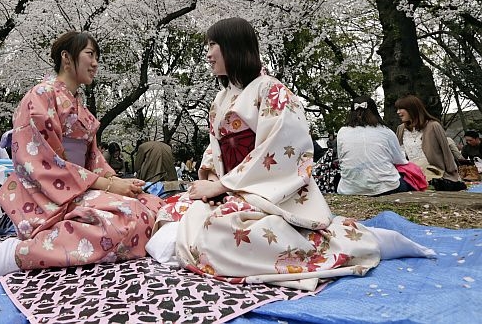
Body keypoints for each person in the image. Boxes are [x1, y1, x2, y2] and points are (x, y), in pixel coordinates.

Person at [147, 18, 434, 291]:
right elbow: (215, 150)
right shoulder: (221, 98)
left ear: (233, 46)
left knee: (223, 232)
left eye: (213, 45)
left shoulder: (272, 90)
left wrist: (223, 185)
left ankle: (364, 242)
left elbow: (280, 149)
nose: (208, 54)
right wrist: (211, 181)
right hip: (230, 188)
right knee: (171, 214)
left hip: (266, 192)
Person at [0, 30, 163, 287]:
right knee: (129, 217)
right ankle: (19, 254)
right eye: (90, 55)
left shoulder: (78, 104)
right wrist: (108, 185)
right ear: (67, 58)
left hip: (80, 187)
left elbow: (93, 158)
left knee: (151, 205)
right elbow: (42, 160)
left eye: (97, 57)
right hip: (49, 194)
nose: (95, 63)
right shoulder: (40, 96)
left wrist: (117, 181)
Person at [336, 96, 419, 196]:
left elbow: (341, 159)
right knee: (410, 182)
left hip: (349, 188)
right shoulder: (386, 131)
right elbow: (400, 160)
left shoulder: (342, 132)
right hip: (386, 187)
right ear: (375, 112)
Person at [395, 95, 466, 191]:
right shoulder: (401, 129)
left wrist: (452, 174)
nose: (398, 112)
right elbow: (399, 153)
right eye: (397, 109)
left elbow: (446, 152)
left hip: (434, 173)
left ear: (412, 109)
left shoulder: (433, 126)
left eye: (401, 109)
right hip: (411, 174)